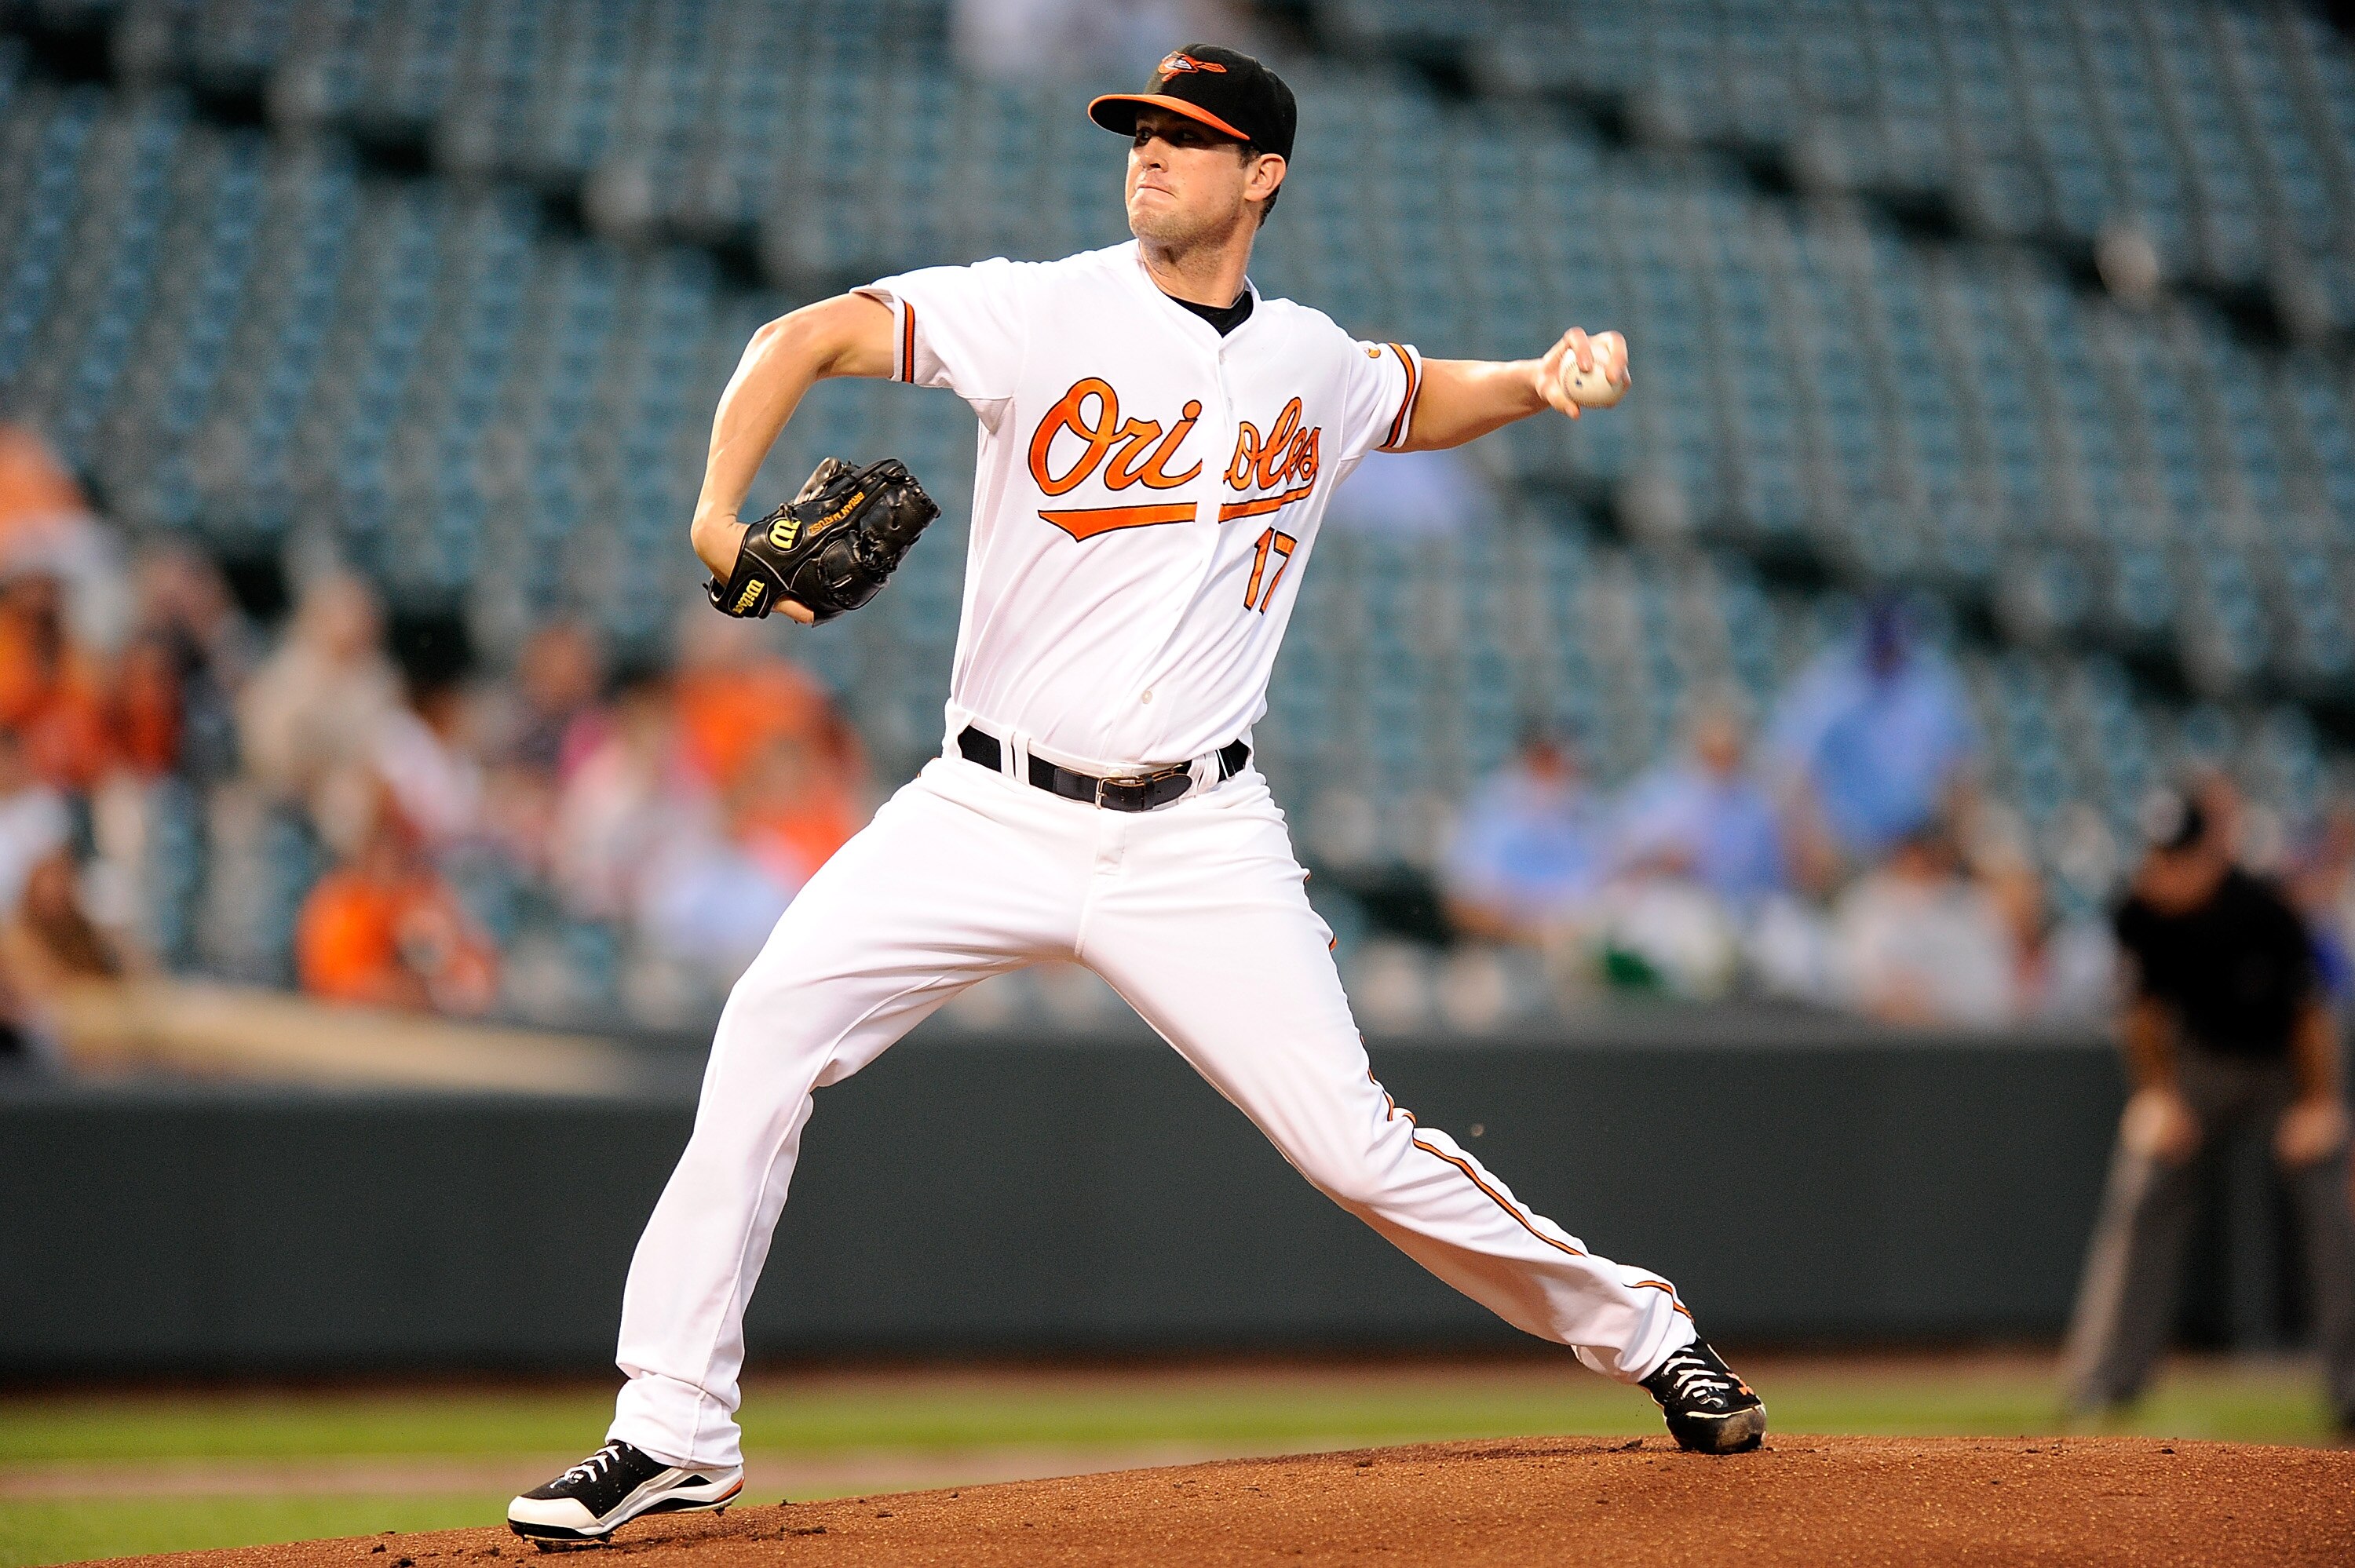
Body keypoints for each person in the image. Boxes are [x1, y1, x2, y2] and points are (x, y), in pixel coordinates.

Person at [509, 42, 1762, 1544]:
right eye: (1143, 129)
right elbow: (802, 335)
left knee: (1352, 1142)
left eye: (1190, 135)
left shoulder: (1303, 354)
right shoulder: (1041, 308)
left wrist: (1540, 383)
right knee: (768, 1029)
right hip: (983, 807)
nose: (1151, 151)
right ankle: (668, 1428)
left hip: (1200, 833)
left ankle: (1647, 1333)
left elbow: (1414, 396)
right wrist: (717, 515)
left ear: (1263, 175)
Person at [2062, 779, 2355, 1435]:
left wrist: (2320, 1105)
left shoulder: (2263, 910)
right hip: (2195, 1066)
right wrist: (2157, 1096)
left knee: (2329, 1195)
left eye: (2181, 857)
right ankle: (2103, 1382)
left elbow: (2310, 1017)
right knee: (2144, 1183)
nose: (2166, 872)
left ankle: (2352, 1386)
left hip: (2282, 1068)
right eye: (2159, 857)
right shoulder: (2140, 911)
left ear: (2211, 855)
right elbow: (2139, 1014)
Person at [1764, 596, 1977, 875]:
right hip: (1846, 849)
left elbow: (1961, 774)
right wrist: (1810, 842)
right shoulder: (1829, 684)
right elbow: (1791, 771)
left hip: (1918, 845)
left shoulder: (1931, 683)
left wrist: (1951, 845)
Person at [1612, 697, 1786, 913]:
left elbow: (1771, 875)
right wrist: (1664, 860)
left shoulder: (1756, 806)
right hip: (1680, 905)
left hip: (1745, 908)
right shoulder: (1665, 795)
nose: (1722, 763)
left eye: (1728, 753)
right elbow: (1624, 856)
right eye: (1714, 753)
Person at [1440, 726, 1612, 943]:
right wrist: (1529, 933)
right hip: (1504, 946)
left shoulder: (1588, 813)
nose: (1553, 771)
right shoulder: (1491, 811)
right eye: (1544, 761)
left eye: (1557, 761)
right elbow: (1460, 905)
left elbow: (1609, 890)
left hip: (1578, 943)